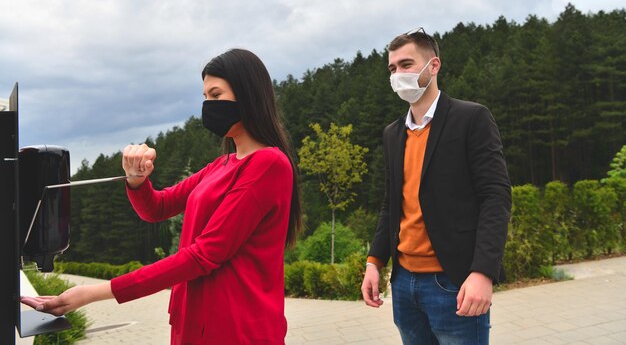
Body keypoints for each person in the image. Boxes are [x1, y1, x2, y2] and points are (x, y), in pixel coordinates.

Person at [21, 48, 303, 345]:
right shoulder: (221, 165)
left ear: (248, 95)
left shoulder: (268, 165)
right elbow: (158, 208)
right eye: (205, 97)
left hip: (235, 328)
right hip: (193, 320)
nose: (208, 105)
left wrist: (92, 293)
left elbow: (204, 255)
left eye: (216, 96)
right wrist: (137, 180)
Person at [360, 28, 511, 345]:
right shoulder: (393, 134)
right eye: (392, 68)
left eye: (406, 64)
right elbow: (391, 204)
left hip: (453, 283)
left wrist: (483, 272)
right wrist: (374, 263)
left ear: (434, 66)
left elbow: (495, 198)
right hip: (403, 285)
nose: (398, 74)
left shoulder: (471, 118)